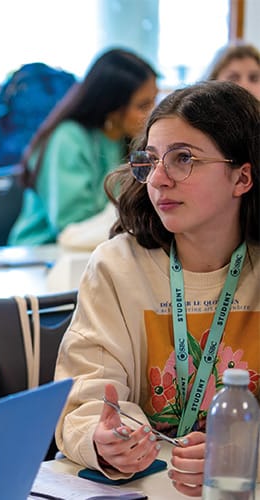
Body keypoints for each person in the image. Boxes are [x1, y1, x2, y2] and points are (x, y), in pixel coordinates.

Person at [54, 80, 260, 497]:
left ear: (242, 177)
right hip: (149, 486)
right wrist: (109, 439)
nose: (159, 179)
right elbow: (85, 400)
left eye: (183, 159)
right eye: (150, 161)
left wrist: (242, 449)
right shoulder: (117, 266)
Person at [7, 48, 158, 246]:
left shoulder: (129, 141)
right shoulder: (69, 139)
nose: (152, 112)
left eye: (155, 99)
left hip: (98, 248)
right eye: (143, 105)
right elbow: (69, 224)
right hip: (44, 251)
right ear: (112, 106)